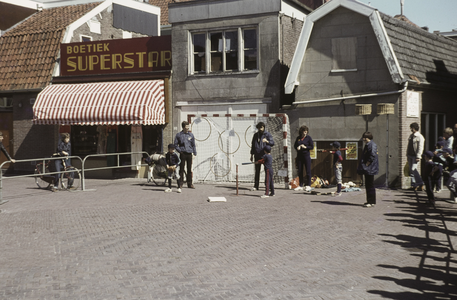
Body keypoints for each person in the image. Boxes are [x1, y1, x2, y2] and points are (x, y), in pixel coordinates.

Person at [250, 122, 274, 191]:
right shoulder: (255, 135)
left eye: (261, 127)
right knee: (257, 171)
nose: (260, 129)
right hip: (257, 155)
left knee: (267, 171)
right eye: (259, 128)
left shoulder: (267, 134)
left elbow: (272, 143)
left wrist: (267, 141)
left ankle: (268, 186)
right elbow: (253, 145)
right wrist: (251, 154)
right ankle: (256, 186)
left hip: (265, 156)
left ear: (264, 127)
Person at [357, 132, 379, 208]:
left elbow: (372, 155)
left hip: (370, 168)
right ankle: (371, 201)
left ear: (366, 138)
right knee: (370, 185)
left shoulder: (371, 145)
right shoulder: (370, 144)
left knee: (369, 185)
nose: (363, 139)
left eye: (364, 137)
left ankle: (370, 201)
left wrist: (367, 163)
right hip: (370, 168)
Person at [174, 121, 197, 189]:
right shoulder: (179, 135)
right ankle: (180, 183)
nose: (188, 128)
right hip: (183, 153)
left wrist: (194, 153)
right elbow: (175, 144)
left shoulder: (191, 135)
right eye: (186, 127)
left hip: (189, 153)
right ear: (183, 127)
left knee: (189, 169)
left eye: (188, 127)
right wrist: (180, 150)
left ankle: (189, 184)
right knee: (181, 169)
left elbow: (193, 145)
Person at [294, 125, 313, 192]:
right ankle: (301, 185)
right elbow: (295, 145)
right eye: (304, 131)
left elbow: (311, 146)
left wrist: (305, 147)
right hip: (299, 156)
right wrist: (297, 147)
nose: (305, 133)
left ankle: (309, 185)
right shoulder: (298, 138)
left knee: (308, 170)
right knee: (300, 171)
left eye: (306, 131)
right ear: (301, 132)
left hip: (306, 156)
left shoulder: (308, 138)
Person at [406, 122, 425, 190]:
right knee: (411, 170)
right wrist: (407, 154)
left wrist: (418, 156)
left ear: (414, 128)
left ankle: (420, 183)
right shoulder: (411, 136)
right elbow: (409, 146)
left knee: (414, 169)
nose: (410, 129)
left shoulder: (419, 136)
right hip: (410, 155)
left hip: (415, 156)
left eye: (411, 128)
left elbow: (420, 147)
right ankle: (414, 185)